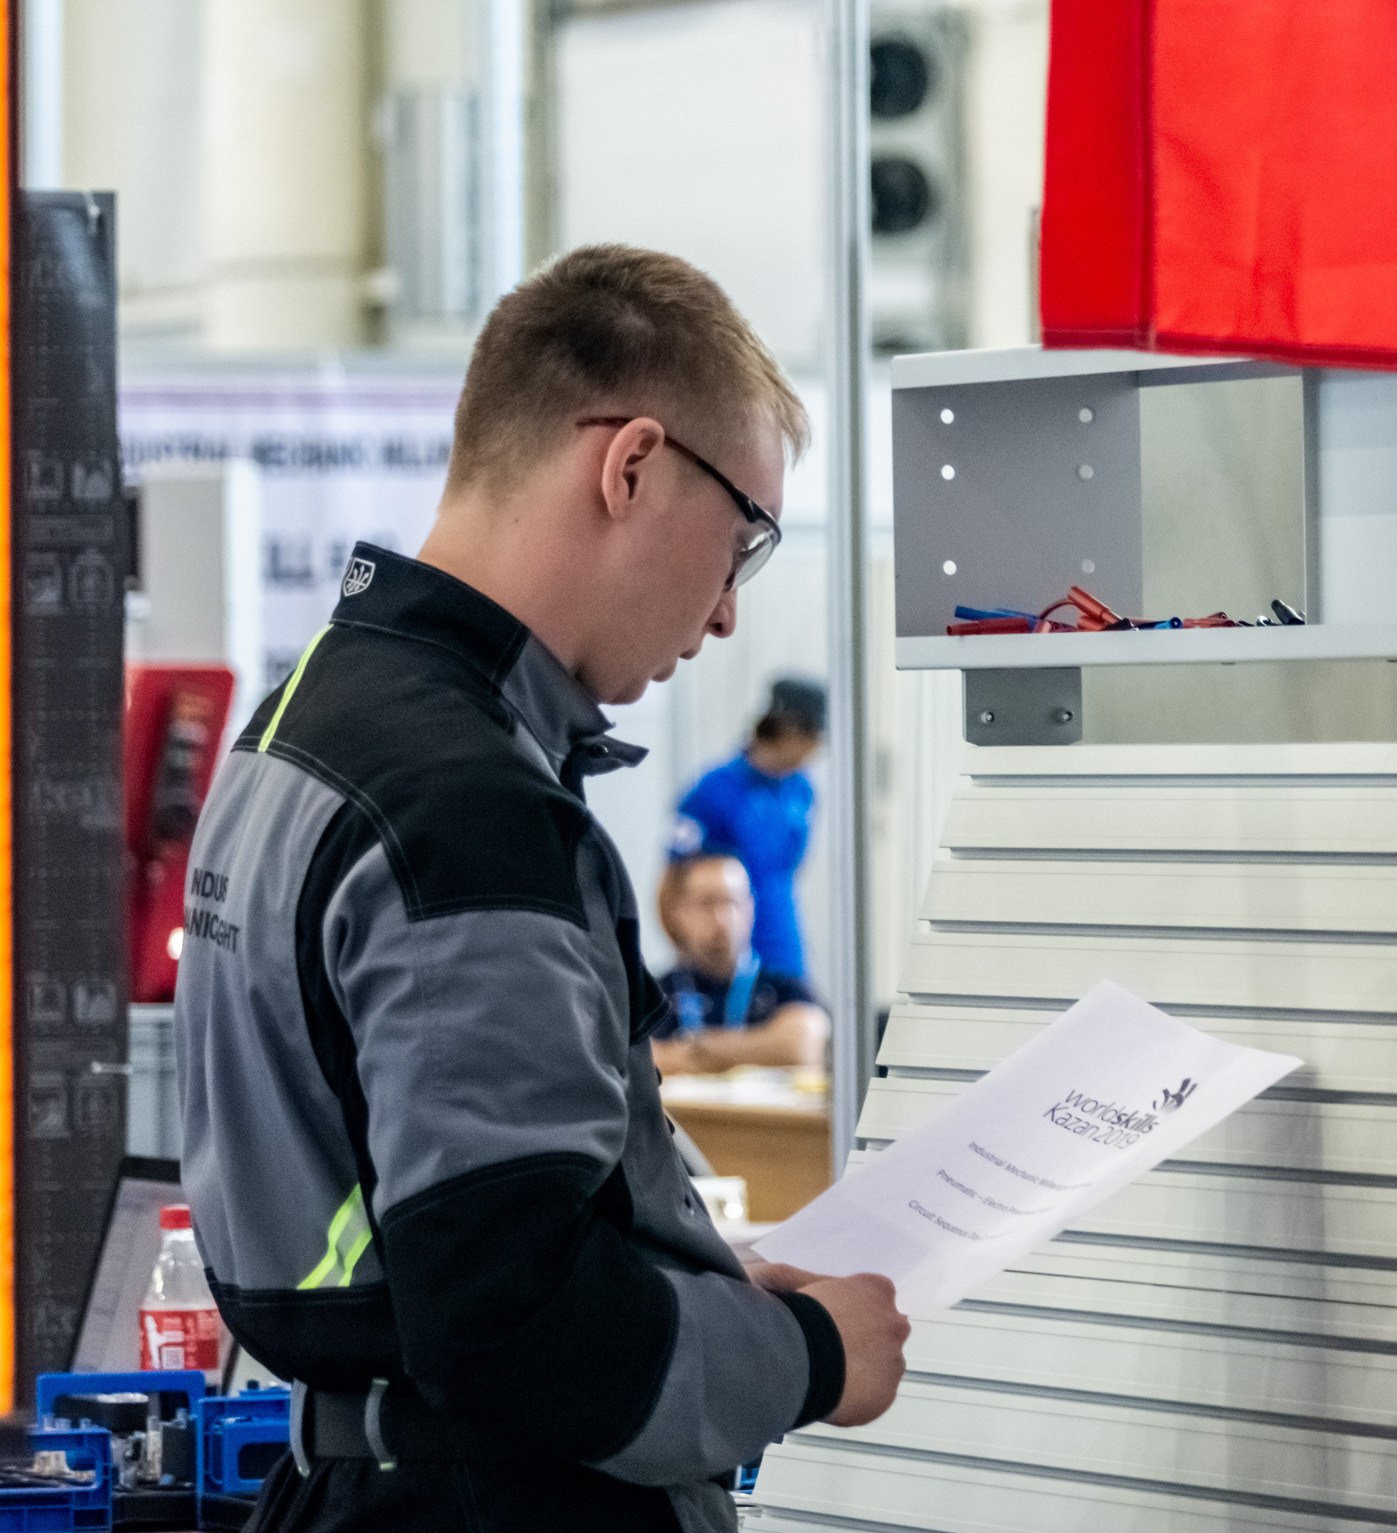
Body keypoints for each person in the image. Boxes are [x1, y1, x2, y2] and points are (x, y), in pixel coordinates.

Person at [172, 245, 907, 1533]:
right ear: (628, 466)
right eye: (741, 540)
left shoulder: (302, 723)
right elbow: (515, 1321)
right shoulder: (469, 809)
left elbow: (439, 1221)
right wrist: (809, 1355)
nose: (728, 612)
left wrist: (681, 1271)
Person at [673, 677, 823, 983]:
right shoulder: (712, 790)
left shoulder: (801, 790)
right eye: (814, 738)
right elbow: (674, 880)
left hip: (783, 942)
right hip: (724, 948)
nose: (816, 751)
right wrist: (688, 949)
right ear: (791, 731)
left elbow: (788, 871)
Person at [654, 850, 827, 1074]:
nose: (722, 918)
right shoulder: (653, 993)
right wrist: (760, 1050)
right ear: (679, 913)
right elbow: (644, 1062)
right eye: (707, 903)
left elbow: (800, 1047)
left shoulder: (784, 987)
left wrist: (696, 1047)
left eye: (733, 901)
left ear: (751, 907)